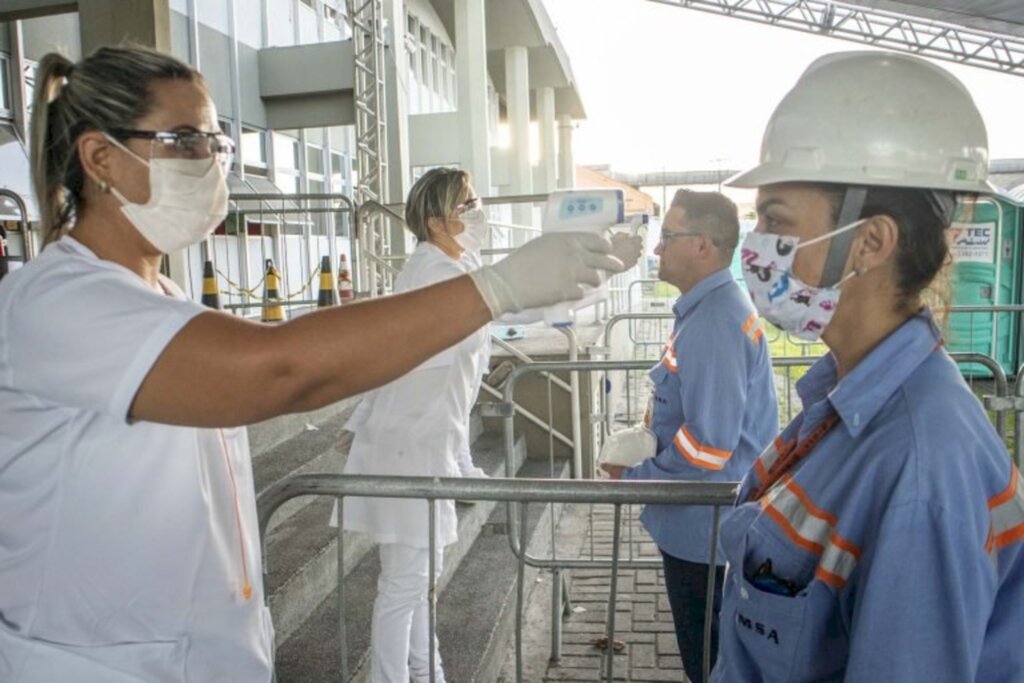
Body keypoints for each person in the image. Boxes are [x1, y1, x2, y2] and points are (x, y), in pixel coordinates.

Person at [0, 47, 628, 683]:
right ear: (101, 158)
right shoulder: (59, 303)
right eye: (185, 140)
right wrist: (496, 288)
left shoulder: (150, 295)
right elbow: (278, 369)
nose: (213, 162)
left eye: (218, 142)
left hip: (194, 652)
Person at [711, 51, 1024, 682]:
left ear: (870, 242)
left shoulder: (921, 471)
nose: (756, 250)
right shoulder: (848, 400)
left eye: (776, 222)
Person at [337, 167, 643, 683]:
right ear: (436, 221)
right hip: (408, 449)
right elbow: (511, 311)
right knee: (404, 584)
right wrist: (605, 265)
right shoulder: (432, 277)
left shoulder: (456, 266)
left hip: (429, 444)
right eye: (468, 205)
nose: (479, 213)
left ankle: (425, 671)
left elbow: (515, 318)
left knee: (417, 579)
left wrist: (460, 462)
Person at [601, 189, 778, 682]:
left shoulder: (715, 321)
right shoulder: (708, 310)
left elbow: (709, 443)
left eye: (668, 236)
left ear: (703, 245)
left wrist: (635, 476)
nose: (657, 249)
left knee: (709, 661)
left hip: (704, 529)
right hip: (703, 523)